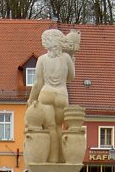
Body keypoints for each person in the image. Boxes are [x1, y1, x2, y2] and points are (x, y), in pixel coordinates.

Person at [26, 29, 80, 163]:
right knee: (58, 127)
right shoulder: (66, 58)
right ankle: (61, 159)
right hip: (61, 95)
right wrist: (72, 59)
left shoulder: (42, 59)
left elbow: (38, 83)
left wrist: (32, 98)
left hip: (46, 94)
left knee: (49, 128)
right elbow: (71, 77)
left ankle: (52, 158)